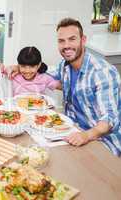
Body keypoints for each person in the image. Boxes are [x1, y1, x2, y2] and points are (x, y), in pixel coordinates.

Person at [52, 18, 121, 156]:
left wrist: (86, 136)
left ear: (83, 40)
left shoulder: (102, 72)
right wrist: (20, 67)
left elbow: (110, 118)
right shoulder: (64, 66)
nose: (66, 45)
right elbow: (48, 76)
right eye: (61, 41)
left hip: (103, 141)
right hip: (74, 132)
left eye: (72, 39)